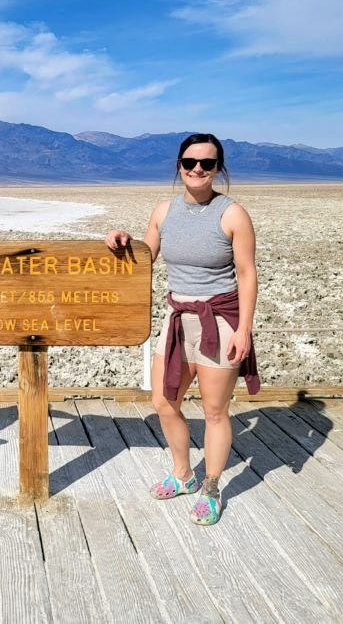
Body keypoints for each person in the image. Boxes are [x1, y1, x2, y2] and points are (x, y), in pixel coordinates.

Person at [105, 133, 258, 526]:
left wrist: (244, 330)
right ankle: (183, 474)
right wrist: (123, 241)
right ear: (179, 165)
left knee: (214, 410)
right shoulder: (163, 211)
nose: (197, 170)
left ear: (218, 170)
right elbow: (146, 257)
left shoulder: (233, 214)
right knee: (163, 400)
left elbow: (246, 273)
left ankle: (210, 487)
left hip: (219, 321)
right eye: (190, 162)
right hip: (176, 319)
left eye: (207, 164)